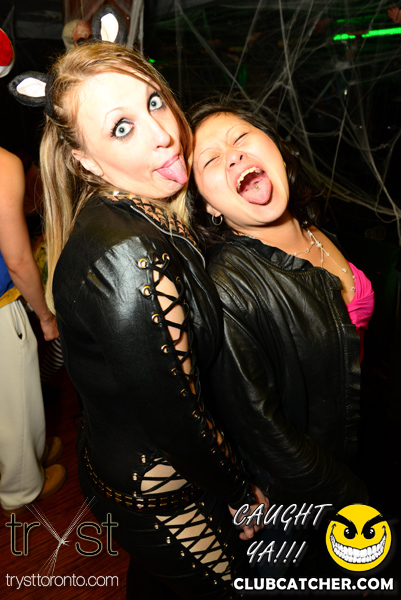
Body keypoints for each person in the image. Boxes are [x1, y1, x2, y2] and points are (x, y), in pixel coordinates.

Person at [9, 23, 268, 600]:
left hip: (138, 464)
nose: (164, 135)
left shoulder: (139, 212)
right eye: (121, 127)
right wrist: (241, 490)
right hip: (161, 492)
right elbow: (179, 419)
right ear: (86, 162)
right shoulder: (129, 258)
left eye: (153, 101)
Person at [188, 98, 373, 510]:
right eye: (211, 159)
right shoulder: (228, 289)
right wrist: (355, 499)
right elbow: (269, 435)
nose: (233, 154)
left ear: (274, 146)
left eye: (241, 137)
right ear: (208, 205)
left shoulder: (311, 226)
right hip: (321, 488)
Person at [0, 146, 66, 517]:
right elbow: (18, 259)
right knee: (16, 400)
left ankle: (32, 453)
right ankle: (21, 488)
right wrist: (45, 316)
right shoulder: (3, 164)